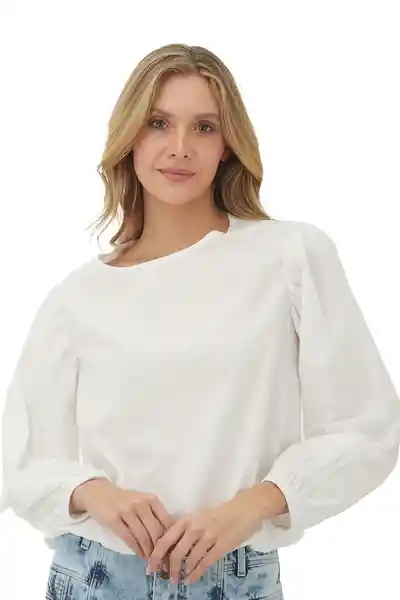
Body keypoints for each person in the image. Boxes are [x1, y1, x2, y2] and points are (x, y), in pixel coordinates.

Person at [1, 42, 400, 600]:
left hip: (236, 575)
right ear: (130, 137)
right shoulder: (78, 298)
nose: (180, 147)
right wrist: (93, 491)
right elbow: (17, 460)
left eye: (204, 127)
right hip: (97, 576)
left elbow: (367, 428)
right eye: (158, 123)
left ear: (227, 144)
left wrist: (256, 504)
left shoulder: (289, 257)